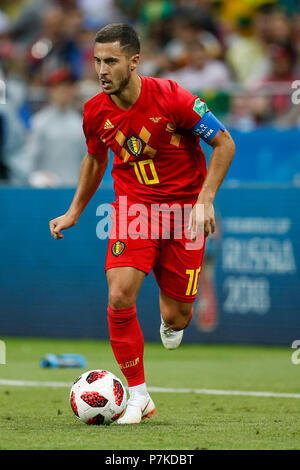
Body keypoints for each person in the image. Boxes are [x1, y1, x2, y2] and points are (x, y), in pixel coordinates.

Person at [49, 23, 235, 424]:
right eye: (97, 61)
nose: (102, 70)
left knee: (176, 317)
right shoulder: (94, 110)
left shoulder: (173, 98)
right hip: (134, 210)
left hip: (183, 213)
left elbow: (224, 142)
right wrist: (74, 211)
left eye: (111, 61)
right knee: (119, 294)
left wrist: (205, 200)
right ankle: (139, 396)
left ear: (134, 62)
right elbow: (97, 159)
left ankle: (173, 320)